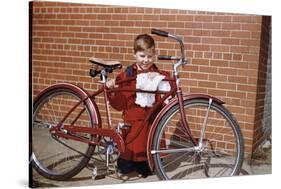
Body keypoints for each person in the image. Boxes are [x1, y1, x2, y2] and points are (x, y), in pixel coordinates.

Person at [106, 34, 171, 178]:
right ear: (134, 54)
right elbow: (120, 104)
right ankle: (128, 162)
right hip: (133, 124)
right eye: (142, 56)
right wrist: (112, 91)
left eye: (149, 56)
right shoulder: (126, 76)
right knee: (125, 166)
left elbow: (169, 88)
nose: (146, 60)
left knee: (147, 168)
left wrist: (160, 78)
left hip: (151, 123)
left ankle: (146, 163)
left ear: (154, 55)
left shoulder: (159, 73)